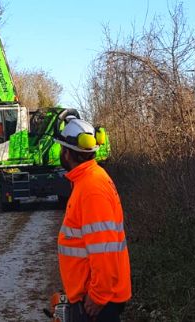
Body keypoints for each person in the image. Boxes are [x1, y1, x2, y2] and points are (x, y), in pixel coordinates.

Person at [55, 117, 131, 321]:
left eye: (62, 149)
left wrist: (97, 297)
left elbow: (104, 249)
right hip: (94, 298)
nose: (61, 154)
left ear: (68, 153)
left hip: (96, 303)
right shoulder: (88, 180)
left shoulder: (91, 188)